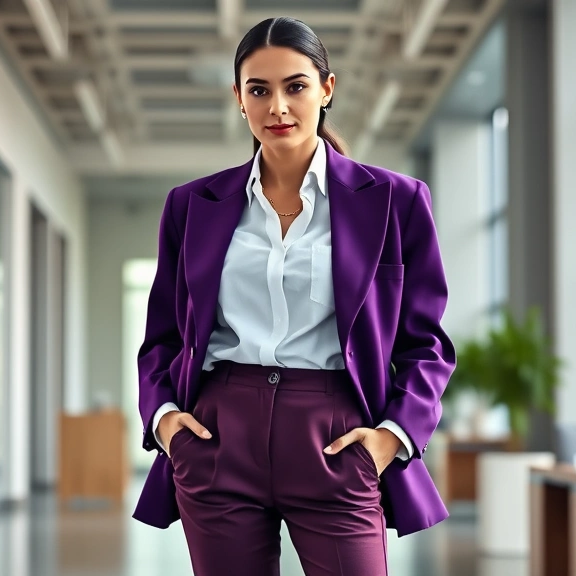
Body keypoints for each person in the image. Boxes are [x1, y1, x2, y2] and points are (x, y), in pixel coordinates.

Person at [132, 16, 455, 576]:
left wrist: (391, 437)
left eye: (295, 86)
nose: (277, 106)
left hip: (335, 436)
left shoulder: (396, 202)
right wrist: (165, 421)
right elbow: (162, 335)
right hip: (217, 437)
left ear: (327, 89)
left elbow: (426, 343)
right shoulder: (191, 205)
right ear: (239, 98)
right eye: (259, 89)